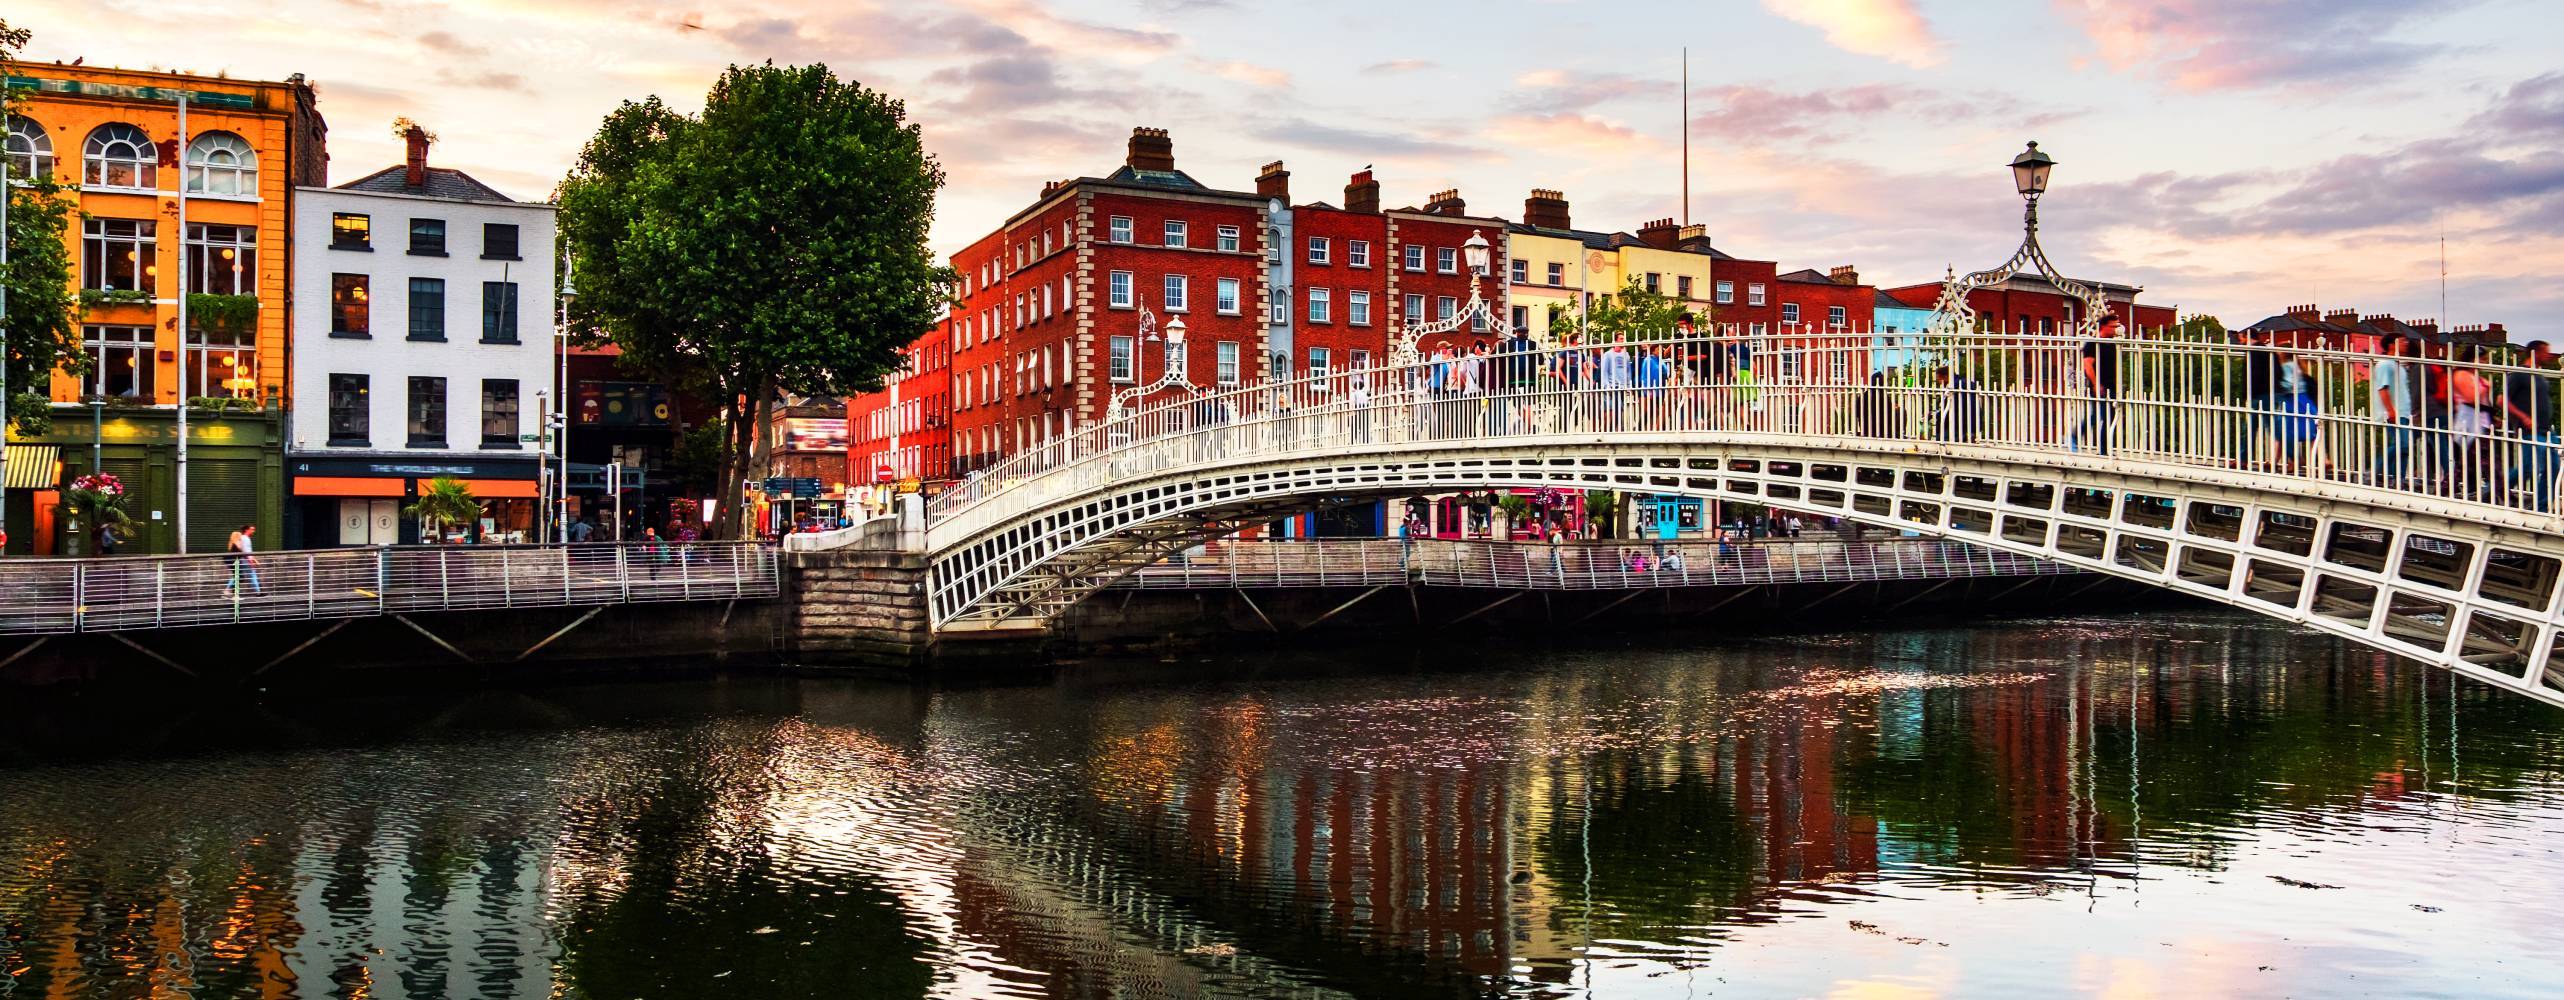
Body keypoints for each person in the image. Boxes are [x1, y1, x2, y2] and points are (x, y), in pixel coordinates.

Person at [2503, 339, 2560, 511]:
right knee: (2528, 468)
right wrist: (2523, 417)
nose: (2549, 355)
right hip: (2528, 430)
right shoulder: (2520, 374)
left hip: (2546, 429)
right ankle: (2494, 489)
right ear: (2534, 352)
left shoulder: (2540, 375)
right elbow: (2502, 400)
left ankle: (2542, 505)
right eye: (2545, 352)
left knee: (2554, 467)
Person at [2071, 314, 2123, 455]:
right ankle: (2077, 437)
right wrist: (2096, 384)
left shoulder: (2112, 343)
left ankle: (2104, 449)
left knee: (2108, 417)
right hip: (2100, 386)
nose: (2115, 330)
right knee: (2100, 416)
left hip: (2111, 385)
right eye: (2113, 326)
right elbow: (2087, 364)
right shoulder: (2093, 343)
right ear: (2104, 326)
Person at [224, 523, 262, 597]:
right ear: (247, 530)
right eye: (252, 529)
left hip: (239, 560)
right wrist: (251, 561)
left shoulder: (241, 540)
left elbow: (246, 552)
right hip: (239, 560)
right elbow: (246, 552)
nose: (254, 531)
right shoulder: (243, 540)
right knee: (243, 576)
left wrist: (254, 560)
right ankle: (229, 591)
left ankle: (232, 593)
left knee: (240, 576)